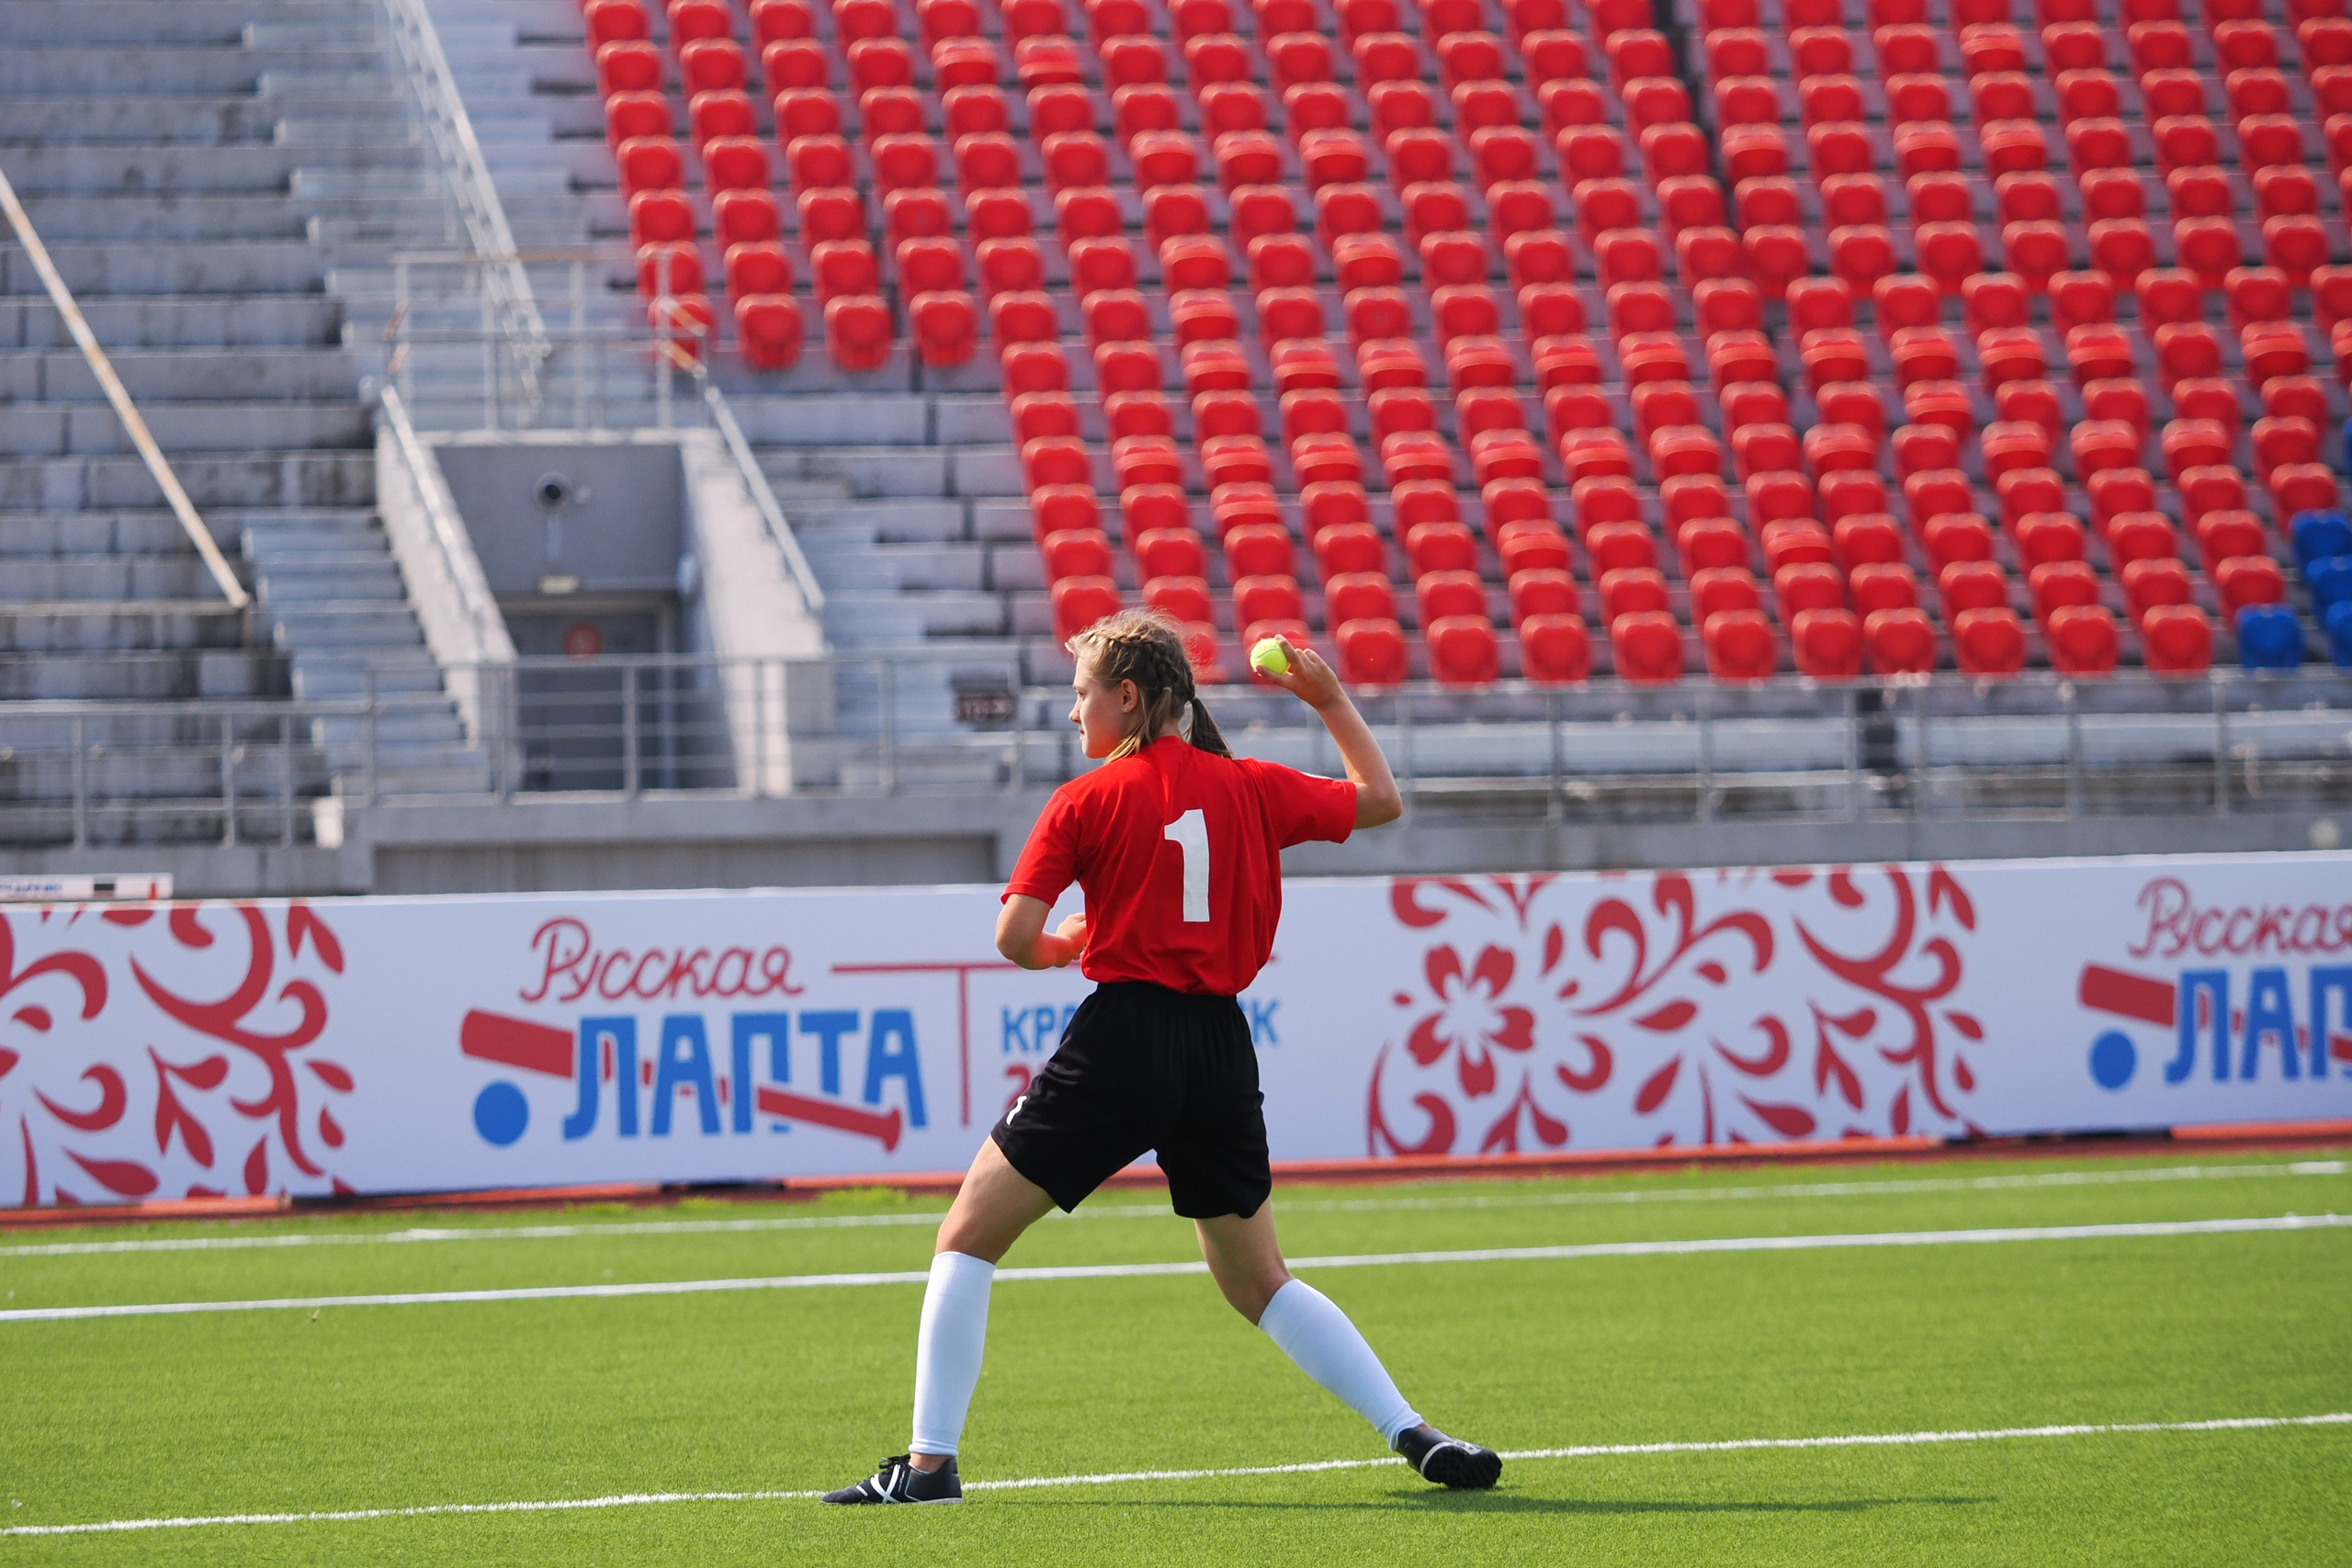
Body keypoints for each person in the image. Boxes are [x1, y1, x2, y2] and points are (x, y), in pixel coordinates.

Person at [825, 611, 1501, 1506]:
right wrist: (1329, 697)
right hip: (1220, 1046)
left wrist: (1064, 948)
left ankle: (927, 1467)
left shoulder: (1086, 798)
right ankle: (1412, 1431)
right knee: (1260, 1280)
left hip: (1123, 1038)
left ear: (1128, 697)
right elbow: (1378, 799)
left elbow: (1013, 937)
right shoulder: (1251, 785)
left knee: (966, 1237)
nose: (1074, 713)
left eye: (1082, 695)